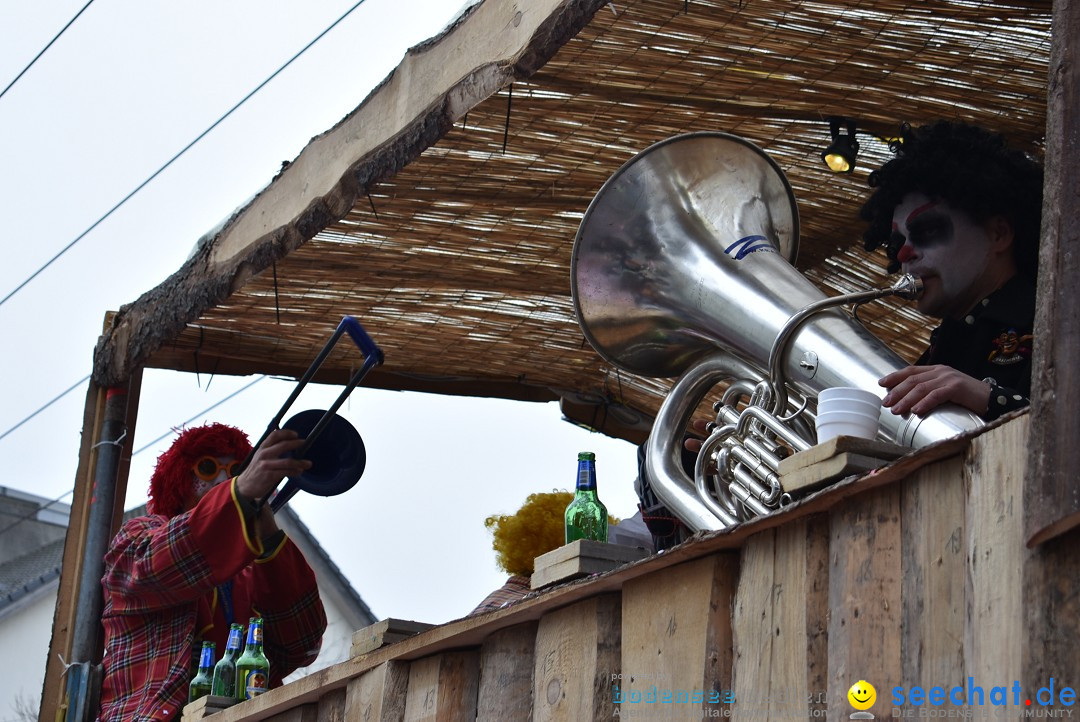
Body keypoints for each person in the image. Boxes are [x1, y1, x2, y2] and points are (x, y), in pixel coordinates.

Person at [97, 423, 328, 720]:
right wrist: (239, 492)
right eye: (207, 468)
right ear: (177, 479)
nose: (222, 478)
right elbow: (162, 563)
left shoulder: (248, 570)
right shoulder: (138, 535)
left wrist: (269, 541)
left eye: (235, 470)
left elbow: (301, 647)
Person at [859, 120, 1043, 421]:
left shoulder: (1058, 324)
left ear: (999, 234)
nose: (904, 254)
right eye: (896, 242)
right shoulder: (941, 346)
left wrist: (989, 398)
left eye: (928, 230)